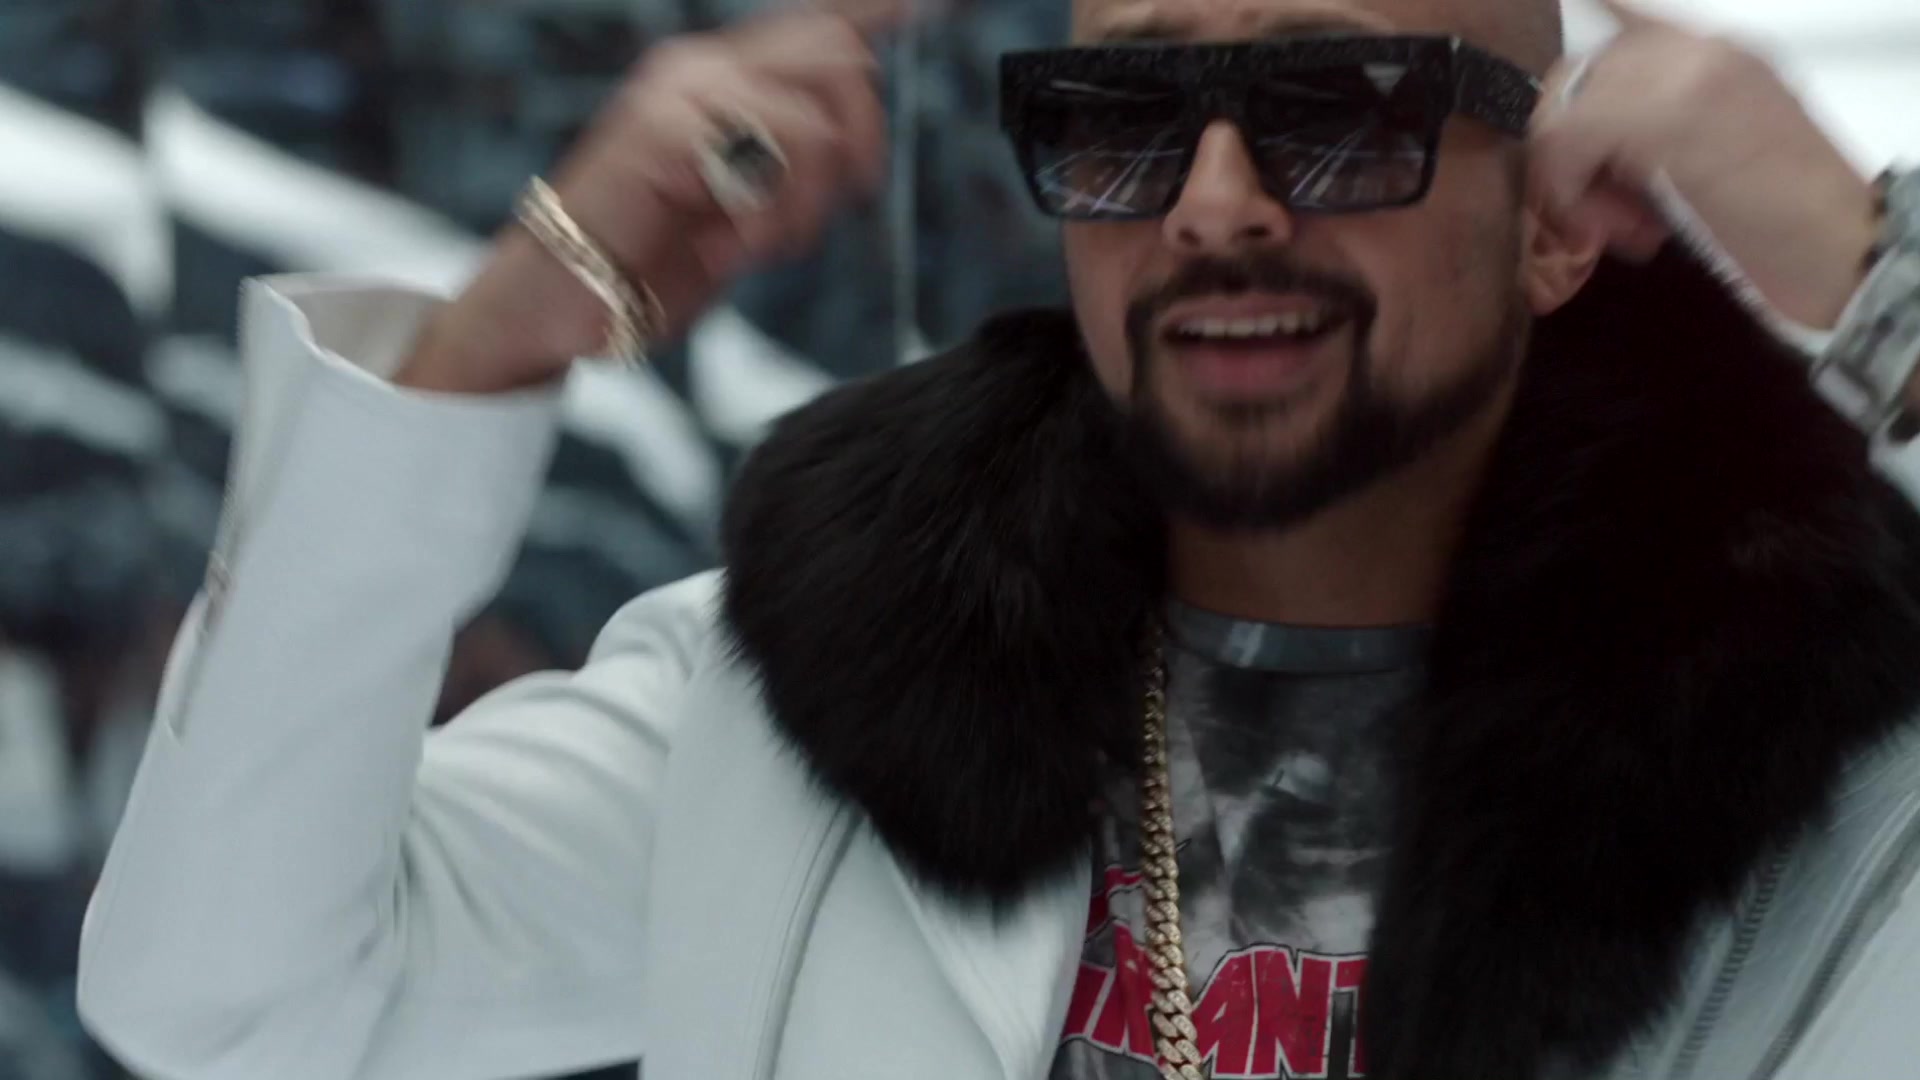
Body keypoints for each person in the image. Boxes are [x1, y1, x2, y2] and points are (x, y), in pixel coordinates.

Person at [73, 0, 1920, 1076]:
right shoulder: (804, 707)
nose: (1212, 205)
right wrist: (488, 351)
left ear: (1556, 228)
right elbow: (226, 1002)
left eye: (1336, 114)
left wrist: (1880, 293)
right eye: (1122, 122)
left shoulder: (1845, 763)